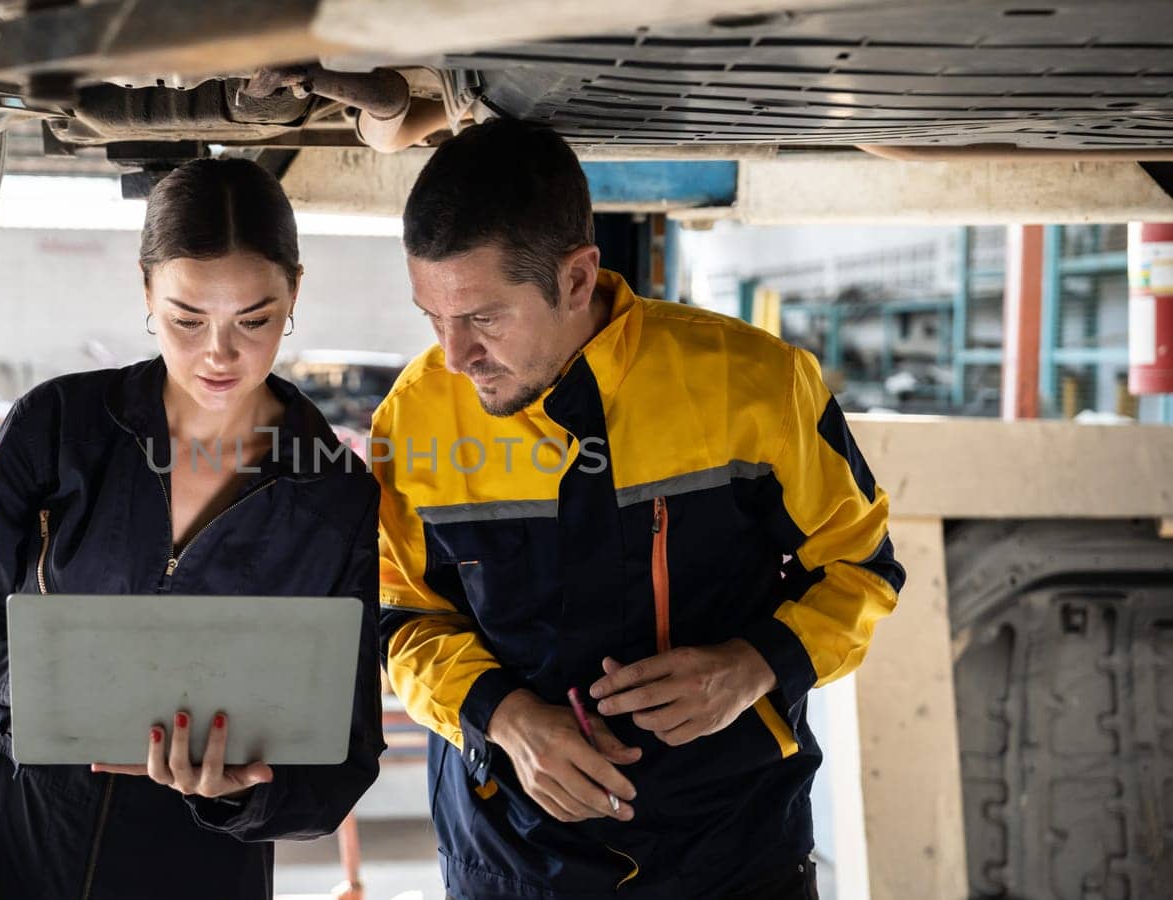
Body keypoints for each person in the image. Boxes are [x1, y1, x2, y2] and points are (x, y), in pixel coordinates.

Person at [374, 119, 904, 899]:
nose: (455, 357)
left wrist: (755, 666)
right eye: (433, 318)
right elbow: (398, 620)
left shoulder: (753, 384)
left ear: (579, 279)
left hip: (735, 852)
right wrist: (504, 717)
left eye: (484, 318)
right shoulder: (415, 417)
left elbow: (863, 569)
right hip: (512, 863)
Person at [0, 158, 385, 900]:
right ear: (146, 292)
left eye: (254, 319)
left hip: (196, 863)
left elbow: (341, 763)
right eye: (187, 319)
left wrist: (233, 791)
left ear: (295, 289)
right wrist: (49, 698)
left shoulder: (334, 494)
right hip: (17, 836)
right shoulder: (58, 426)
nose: (219, 353)